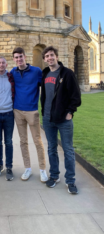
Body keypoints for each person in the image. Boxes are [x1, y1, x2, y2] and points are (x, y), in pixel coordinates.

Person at [41, 46, 81, 194]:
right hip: (47, 118)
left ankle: (70, 180)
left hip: (64, 119)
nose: (49, 58)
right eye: (47, 56)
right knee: (51, 148)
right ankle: (54, 176)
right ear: (44, 59)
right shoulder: (45, 74)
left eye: (52, 55)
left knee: (68, 150)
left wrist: (70, 112)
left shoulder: (67, 73)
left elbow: (76, 95)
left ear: (56, 56)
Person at [11, 47, 48, 183]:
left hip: (32, 110)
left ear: (25, 57)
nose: (19, 59)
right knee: (23, 141)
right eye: (16, 57)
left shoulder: (36, 71)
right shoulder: (13, 72)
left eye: (21, 56)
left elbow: (46, 87)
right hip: (18, 111)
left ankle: (43, 170)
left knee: (37, 141)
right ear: (14, 59)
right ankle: (28, 168)